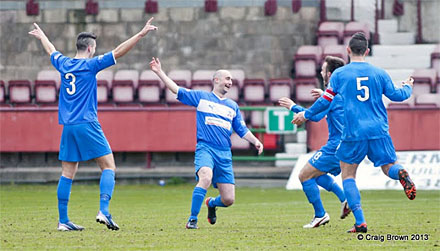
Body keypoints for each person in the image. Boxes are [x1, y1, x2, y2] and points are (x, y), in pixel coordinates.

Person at [29, 18, 158, 231]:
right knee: (109, 165)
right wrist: (141, 34)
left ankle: (63, 221)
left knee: (67, 172)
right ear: (90, 48)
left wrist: (42, 36)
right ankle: (104, 211)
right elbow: (118, 52)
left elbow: (51, 50)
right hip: (87, 122)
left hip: (68, 126)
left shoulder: (64, 63)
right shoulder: (91, 65)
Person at [292, 32, 416, 233]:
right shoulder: (379, 73)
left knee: (348, 175)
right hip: (379, 131)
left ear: (348, 50)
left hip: (353, 133)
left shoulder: (340, 75)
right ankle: (400, 173)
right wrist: (408, 86)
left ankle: (360, 222)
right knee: (388, 167)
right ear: (367, 51)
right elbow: (397, 95)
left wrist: (306, 114)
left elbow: (325, 101)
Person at [149, 58, 263, 229]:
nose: (230, 82)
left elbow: (241, 129)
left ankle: (211, 204)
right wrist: (159, 72)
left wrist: (256, 141)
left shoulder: (233, 106)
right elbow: (176, 90)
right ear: (216, 80)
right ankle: (193, 219)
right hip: (206, 149)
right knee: (206, 177)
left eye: (231, 80)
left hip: (224, 154)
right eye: (227, 79)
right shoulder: (201, 98)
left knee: (229, 199)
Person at [278, 56, 350, 229]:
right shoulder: (342, 93)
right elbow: (321, 112)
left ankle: (320, 215)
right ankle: (345, 199)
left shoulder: (332, 96)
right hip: (345, 145)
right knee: (316, 175)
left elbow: (315, 115)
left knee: (304, 175)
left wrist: (293, 107)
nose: (320, 72)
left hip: (335, 146)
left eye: (323, 70)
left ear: (330, 74)